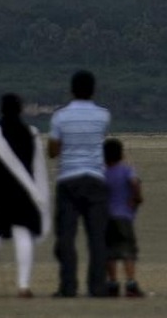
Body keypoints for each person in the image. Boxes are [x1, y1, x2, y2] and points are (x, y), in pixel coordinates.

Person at [0, 94, 49, 299]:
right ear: (20, 109)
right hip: (23, 193)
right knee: (23, 234)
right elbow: (36, 165)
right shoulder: (31, 133)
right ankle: (24, 287)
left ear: (1, 109)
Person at [48, 70, 111, 298]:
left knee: (66, 237)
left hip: (68, 179)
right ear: (93, 90)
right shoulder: (103, 115)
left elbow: (53, 151)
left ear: (72, 90)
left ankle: (68, 286)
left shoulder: (60, 117)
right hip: (95, 178)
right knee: (97, 238)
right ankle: (97, 286)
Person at [103, 138, 145, 298]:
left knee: (110, 252)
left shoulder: (102, 172)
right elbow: (134, 182)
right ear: (121, 154)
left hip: (107, 216)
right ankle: (130, 283)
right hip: (124, 216)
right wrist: (137, 198)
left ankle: (113, 283)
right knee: (128, 251)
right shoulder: (127, 170)